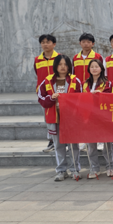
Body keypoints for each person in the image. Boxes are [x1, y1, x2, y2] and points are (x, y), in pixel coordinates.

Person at [37, 54, 82, 182]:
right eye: (60, 64)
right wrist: (51, 98)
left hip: (71, 119)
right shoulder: (47, 81)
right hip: (54, 117)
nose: (63, 67)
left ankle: (75, 170)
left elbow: (81, 98)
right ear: (55, 66)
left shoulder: (75, 80)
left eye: (65, 64)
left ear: (69, 66)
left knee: (73, 146)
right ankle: (61, 170)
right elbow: (41, 98)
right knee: (58, 145)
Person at [82, 59, 113, 179]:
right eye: (92, 67)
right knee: (91, 146)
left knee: (107, 144)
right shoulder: (85, 83)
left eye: (97, 66)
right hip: (88, 117)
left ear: (101, 68)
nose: (94, 69)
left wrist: (100, 96)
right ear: (89, 69)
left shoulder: (107, 83)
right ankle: (94, 168)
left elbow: (110, 98)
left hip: (103, 117)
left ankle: (110, 166)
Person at [34, 34, 60, 152]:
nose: (45, 44)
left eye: (48, 42)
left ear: (54, 44)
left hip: (58, 92)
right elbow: (38, 74)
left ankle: (62, 140)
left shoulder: (59, 58)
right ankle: (51, 140)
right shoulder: (37, 59)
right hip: (45, 94)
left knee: (60, 117)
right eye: (43, 42)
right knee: (48, 117)